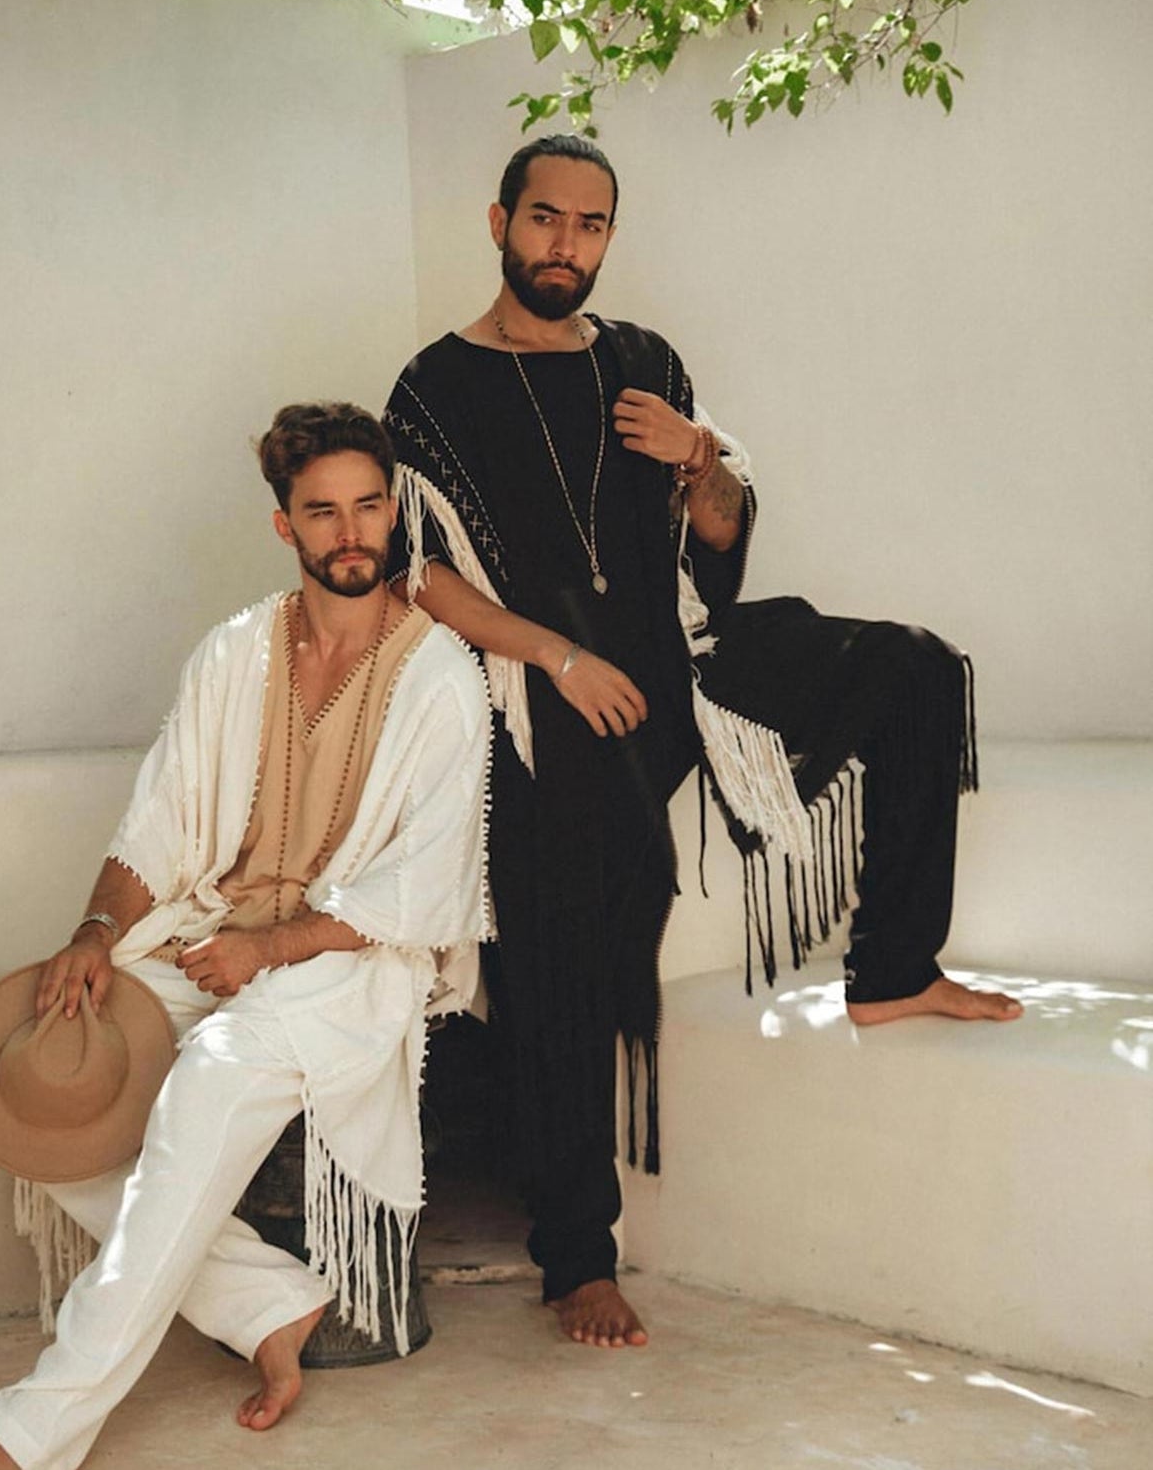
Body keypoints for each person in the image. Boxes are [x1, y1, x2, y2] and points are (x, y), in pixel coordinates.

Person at [382, 135, 1021, 1353]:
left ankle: (892, 966)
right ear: (499, 221)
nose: (566, 244)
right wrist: (559, 660)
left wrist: (701, 456)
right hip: (545, 688)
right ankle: (577, 1254)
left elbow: (721, 532)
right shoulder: (432, 388)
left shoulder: (643, 360)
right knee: (569, 883)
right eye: (546, 220)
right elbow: (426, 579)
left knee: (916, 666)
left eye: (592, 225)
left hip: (684, 658)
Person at [0, 402, 491, 1469]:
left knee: (214, 1076)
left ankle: (24, 1436)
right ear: (287, 527)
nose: (352, 530)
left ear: (393, 508)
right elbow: (161, 822)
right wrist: (96, 931)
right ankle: (269, 1303)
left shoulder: (442, 679)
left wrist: (268, 954)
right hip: (213, 929)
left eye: (370, 503)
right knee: (51, 1080)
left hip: (346, 962)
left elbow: (428, 888)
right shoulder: (236, 651)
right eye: (324, 511)